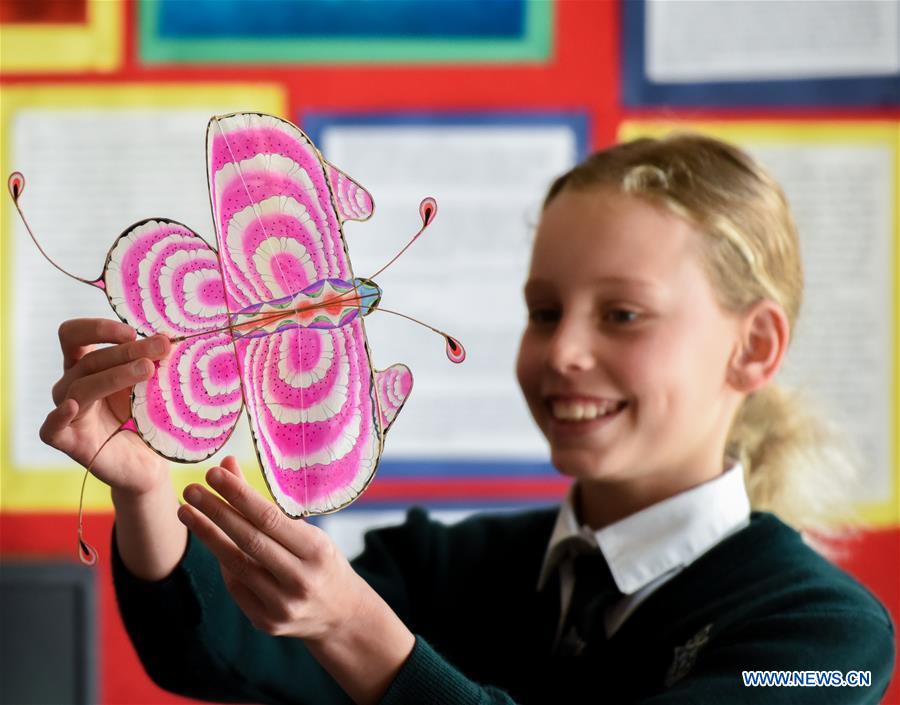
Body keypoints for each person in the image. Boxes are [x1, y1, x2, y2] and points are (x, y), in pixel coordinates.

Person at [41, 134, 895, 704]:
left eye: (623, 315)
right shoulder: (446, 565)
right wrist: (146, 492)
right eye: (544, 310)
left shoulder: (821, 638)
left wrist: (359, 632)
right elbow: (220, 655)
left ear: (753, 348)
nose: (562, 352)